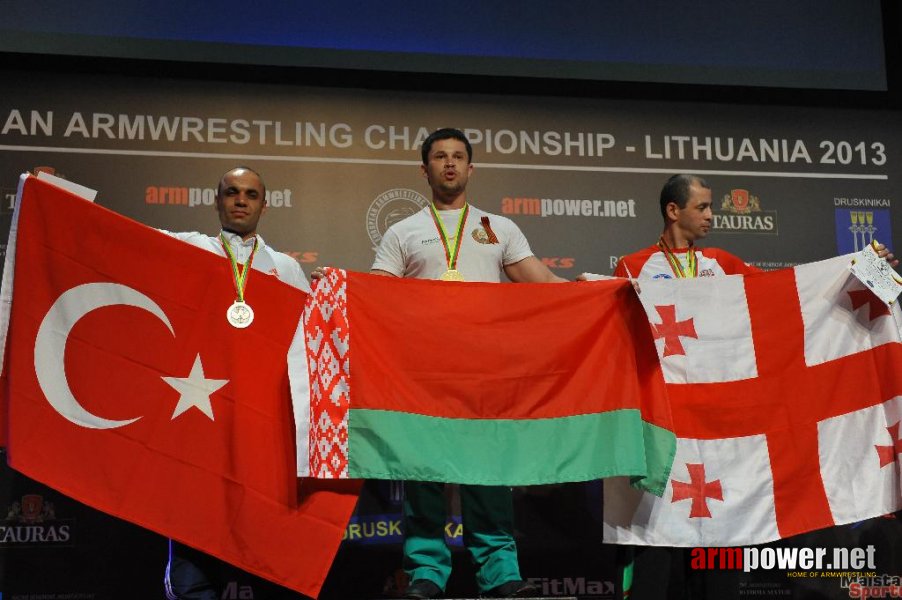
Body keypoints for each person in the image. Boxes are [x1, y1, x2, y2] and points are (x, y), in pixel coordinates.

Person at [610, 173, 896, 600]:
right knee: (661, 545)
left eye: (711, 206)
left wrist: (865, 272)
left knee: (722, 542)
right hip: (666, 421)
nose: (711, 215)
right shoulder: (633, 267)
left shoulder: (722, 264)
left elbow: (783, 298)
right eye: (702, 207)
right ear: (674, 210)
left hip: (722, 425)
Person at [371, 128, 565, 599]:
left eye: (459, 156)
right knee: (424, 474)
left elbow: (542, 283)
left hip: (485, 372)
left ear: (471, 168)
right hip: (425, 374)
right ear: (425, 169)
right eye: (440, 157)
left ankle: (500, 574)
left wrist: (600, 290)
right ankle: (425, 574)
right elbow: (375, 294)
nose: (450, 164)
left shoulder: (500, 228)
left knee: (488, 474)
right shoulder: (402, 232)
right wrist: (338, 285)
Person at [163, 166, 310, 600]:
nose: (240, 200)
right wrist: (57, 196)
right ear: (216, 200)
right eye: (231, 192)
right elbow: (118, 240)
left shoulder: (284, 267)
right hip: (198, 411)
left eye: (250, 194)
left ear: (265, 204)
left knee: (264, 540)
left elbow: (308, 341)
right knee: (195, 517)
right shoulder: (191, 248)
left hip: (258, 419)